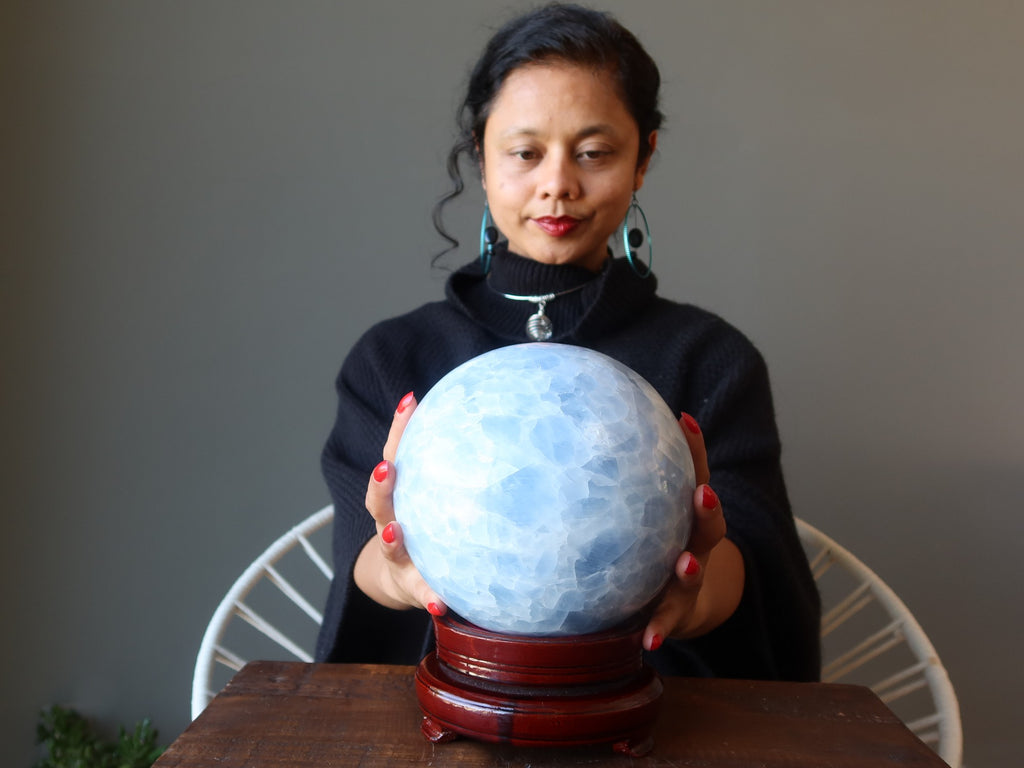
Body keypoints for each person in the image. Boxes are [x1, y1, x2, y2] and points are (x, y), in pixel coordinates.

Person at [315, 3, 820, 681]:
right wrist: (397, 567)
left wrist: (692, 589)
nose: (557, 183)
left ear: (643, 158)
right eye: (525, 153)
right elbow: (366, 561)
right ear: (481, 156)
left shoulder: (708, 358)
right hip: (447, 715)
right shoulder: (392, 360)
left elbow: (751, 559)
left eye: (594, 153)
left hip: (659, 716)